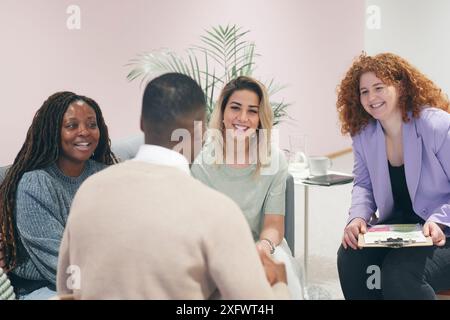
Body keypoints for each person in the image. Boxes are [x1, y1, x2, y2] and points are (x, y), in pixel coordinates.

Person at [56, 73, 290, 299]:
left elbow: (67, 287)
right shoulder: (219, 211)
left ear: (141, 123)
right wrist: (279, 285)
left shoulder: (88, 191)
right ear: (203, 130)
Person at [336, 52, 450, 299]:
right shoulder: (364, 134)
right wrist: (357, 218)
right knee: (350, 257)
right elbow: (364, 184)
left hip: (444, 230)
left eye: (379, 87)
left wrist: (440, 221)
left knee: (400, 273)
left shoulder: (436, 125)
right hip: (400, 227)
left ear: (400, 86)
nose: (371, 97)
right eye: (364, 91)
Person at [191, 76, 304, 299]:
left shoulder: (275, 160)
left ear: (260, 118)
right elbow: (199, 227)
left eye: (252, 111)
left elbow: (274, 225)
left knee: (281, 277)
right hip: (216, 249)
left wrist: (262, 248)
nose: (243, 118)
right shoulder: (202, 163)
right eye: (235, 108)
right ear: (222, 113)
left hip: (263, 246)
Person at [0, 92, 117, 299]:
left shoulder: (106, 174)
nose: (85, 132)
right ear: (53, 132)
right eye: (72, 126)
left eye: (92, 124)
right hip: (47, 286)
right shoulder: (36, 184)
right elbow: (61, 266)